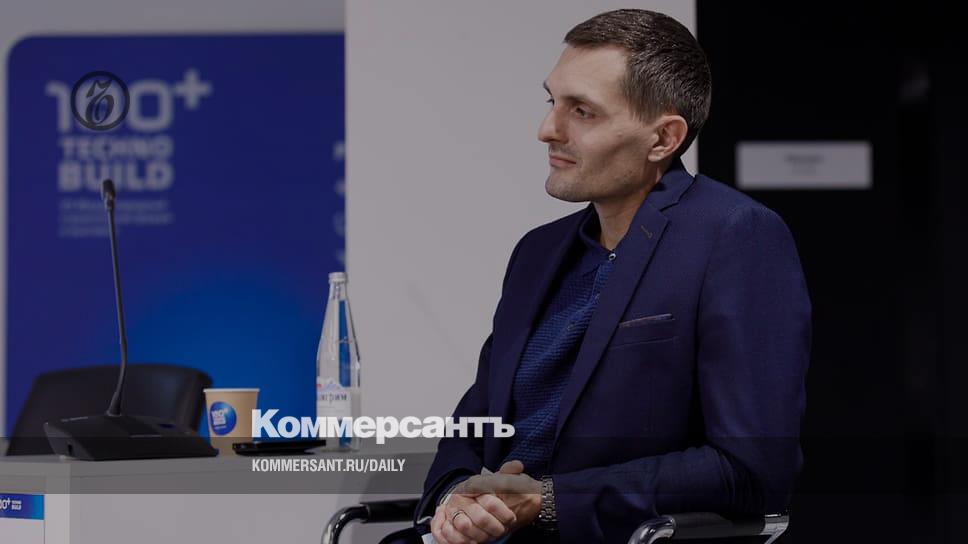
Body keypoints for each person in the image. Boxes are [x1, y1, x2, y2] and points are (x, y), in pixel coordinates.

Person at [390, 8, 811, 544]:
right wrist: (456, 496)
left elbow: (750, 469)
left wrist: (547, 502)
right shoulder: (537, 253)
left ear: (663, 139)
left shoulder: (735, 235)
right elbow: (476, 424)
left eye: (582, 111)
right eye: (552, 102)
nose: (547, 130)